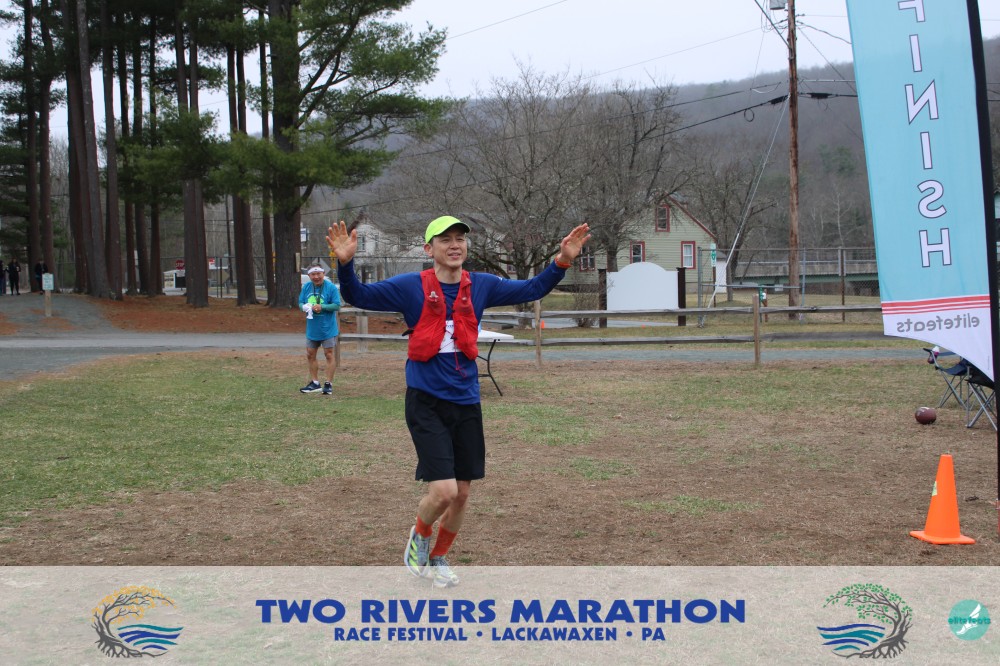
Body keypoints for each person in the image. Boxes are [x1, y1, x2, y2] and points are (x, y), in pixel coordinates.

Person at [326, 215, 590, 588]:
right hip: (426, 401)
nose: (455, 245)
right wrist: (346, 264)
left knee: (462, 494)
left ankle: (438, 558)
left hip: (466, 401)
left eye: (460, 239)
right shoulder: (410, 287)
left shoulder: (481, 285)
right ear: (428, 248)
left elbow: (532, 288)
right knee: (444, 491)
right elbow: (359, 296)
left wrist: (562, 260)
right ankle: (420, 535)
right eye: (445, 239)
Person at [297, 263, 341, 395]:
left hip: (327, 328)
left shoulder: (331, 287)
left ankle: (328, 384)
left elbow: (336, 305)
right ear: (309, 275)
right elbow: (300, 303)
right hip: (312, 328)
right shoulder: (306, 287)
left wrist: (322, 307)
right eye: (313, 274)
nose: (316, 277)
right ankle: (315, 383)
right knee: (310, 354)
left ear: (323, 274)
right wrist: (304, 307)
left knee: (329, 354)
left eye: (318, 274)